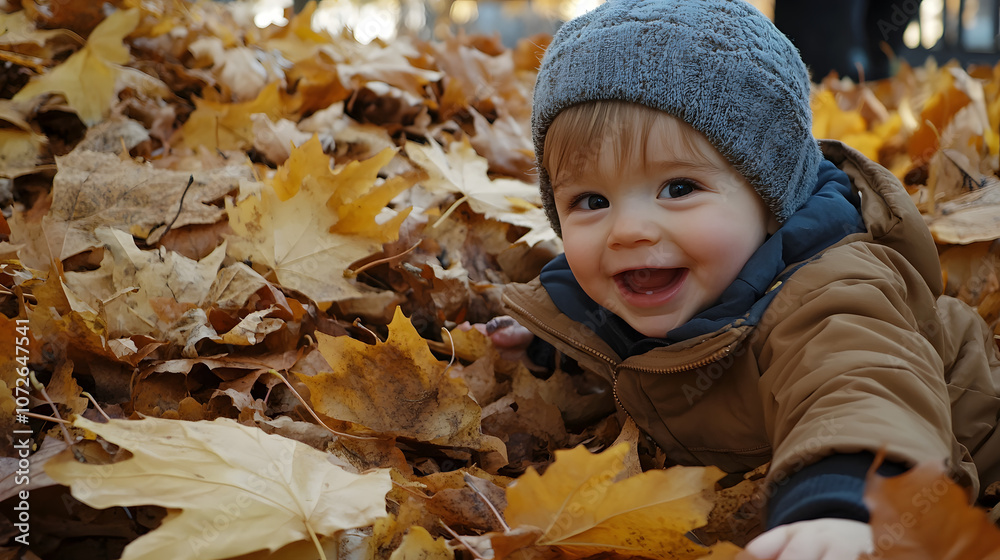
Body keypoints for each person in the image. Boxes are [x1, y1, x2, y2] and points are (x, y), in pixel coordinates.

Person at [485, 1, 1000, 558]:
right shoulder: (655, 282)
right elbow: (615, 336)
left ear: (772, 199)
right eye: (591, 201)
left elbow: (861, 386)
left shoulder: (830, 296)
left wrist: (843, 506)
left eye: (678, 189)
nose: (628, 230)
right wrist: (553, 347)